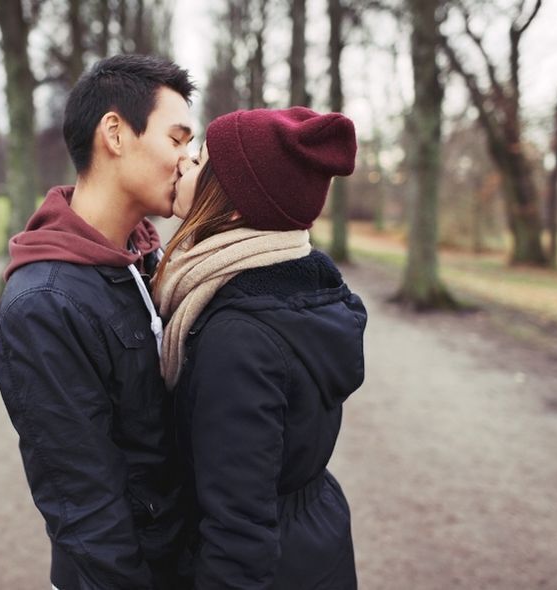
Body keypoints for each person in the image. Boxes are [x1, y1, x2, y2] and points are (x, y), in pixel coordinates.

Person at [0, 54, 196, 590]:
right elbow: (85, 505)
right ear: (115, 133)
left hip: (183, 559)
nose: (187, 159)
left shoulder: (146, 261)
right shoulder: (42, 306)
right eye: (176, 139)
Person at [153, 106, 367, 589]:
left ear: (232, 207)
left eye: (200, 159)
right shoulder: (295, 292)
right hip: (312, 546)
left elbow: (238, 532)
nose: (184, 162)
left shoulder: (239, 339)